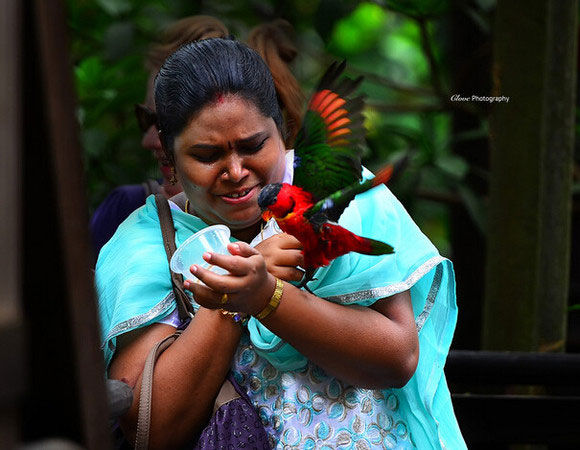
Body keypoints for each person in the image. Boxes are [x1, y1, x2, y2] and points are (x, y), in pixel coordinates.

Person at [96, 37, 465, 449]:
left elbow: (398, 358)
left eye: (253, 146)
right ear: (169, 157)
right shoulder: (143, 244)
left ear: (283, 131)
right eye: (206, 155)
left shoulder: (333, 191)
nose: (236, 171)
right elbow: (154, 430)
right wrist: (235, 298)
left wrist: (269, 297)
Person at [89, 16, 303, 255]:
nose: (150, 140)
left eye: (251, 145)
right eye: (146, 118)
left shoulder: (331, 208)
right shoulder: (129, 217)